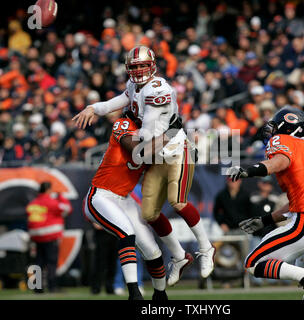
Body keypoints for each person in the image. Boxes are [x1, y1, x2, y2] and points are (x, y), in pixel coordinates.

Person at [73, 45, 215, 286]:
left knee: (177, 200)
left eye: (142, 66)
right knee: (149, 213)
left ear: (153, 66)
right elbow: (116, 102)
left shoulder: (158, 90)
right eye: (134, 67)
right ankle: (179, 257)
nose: (138, 71)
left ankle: (206, 247)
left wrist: (131, 136)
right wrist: (93, 108)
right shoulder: (134, 86)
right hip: (154, 151)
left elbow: (148, 135)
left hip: (174, 147)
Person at [227, 106, 304, 300]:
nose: (272, 130)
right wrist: (266, 220)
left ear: (289, 127)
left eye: (276, 125)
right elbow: (299, 199)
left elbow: (279, 162)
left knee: (253, 262)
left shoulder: (283, 141)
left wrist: (251, 170)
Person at [83, 112, 181, 300]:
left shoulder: (152, 137)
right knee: (127, 233)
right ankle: (134, 293)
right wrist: (168, 134)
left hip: (124, 197)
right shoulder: (123, 125)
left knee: (152, 249)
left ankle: (160, 294)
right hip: (101, 195)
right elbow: (139, 151)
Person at [26, 181, 72, 293]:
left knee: (39, 261)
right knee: (51, 262)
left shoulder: (33, 203)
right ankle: (52, 287)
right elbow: (67, 209)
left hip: (36, 236)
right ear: (48, 190)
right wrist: (61, 197)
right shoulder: (52, 202)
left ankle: (37, 287)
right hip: (50, 235)